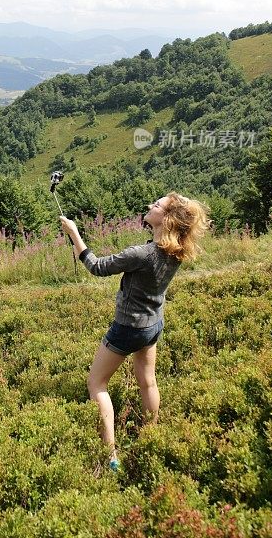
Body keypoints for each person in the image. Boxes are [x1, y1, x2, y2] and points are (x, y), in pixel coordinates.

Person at [59, 192, 210, 472]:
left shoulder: (141, 254)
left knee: (96, 384)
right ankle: (149, 435)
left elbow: (97, 266)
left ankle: (111, 457)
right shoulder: (174, 251)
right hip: (153, 325)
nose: (149, 206)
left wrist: (74, 233)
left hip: (128, 328)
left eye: (156, 205)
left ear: (167, 219)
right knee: (148, 382)